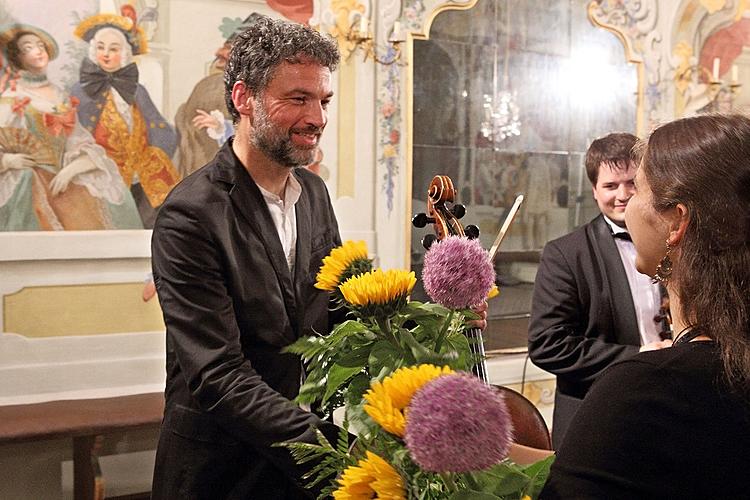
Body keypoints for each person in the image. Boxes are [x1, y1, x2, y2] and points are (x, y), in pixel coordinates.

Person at [150, 17, 343, 499]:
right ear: (243, 99)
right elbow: (219, 375)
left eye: (323, 101)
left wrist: (438, 307)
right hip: (221, 470)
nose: (317, 117)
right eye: (297, 98)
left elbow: (340, 307)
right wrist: (334, 447)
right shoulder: (189, 213)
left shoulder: (314, 193)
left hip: (299, 465)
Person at [541, 113, 750, 498]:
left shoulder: (644, 389)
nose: (625, 199)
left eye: (637, 187)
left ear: (676, 223)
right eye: (612, 185)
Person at [528, 132, 669, 448]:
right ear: (594, 191)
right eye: (610, 186)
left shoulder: (672, 240)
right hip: (596, 417)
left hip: (664, 408)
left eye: (632, 182)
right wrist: (638, 357)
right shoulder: (565, 253)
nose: (623, 194)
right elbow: (547, 345)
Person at [0, 24, 142, 230]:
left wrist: (72, 169)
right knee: (27, 183)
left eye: (40, 45)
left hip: (60, 173)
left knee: (104, 185)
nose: (38, 50)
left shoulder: (59, 94)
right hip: (29, 174)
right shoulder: (12, 98)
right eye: (28, 48)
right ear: (17, 57)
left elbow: (78, 139)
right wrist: (8, 160)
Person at [71, 9, 180, 228]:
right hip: (104, 170)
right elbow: (74, 135)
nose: (106, 54)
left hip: (141, 168)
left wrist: (155, 154)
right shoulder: (80, 90)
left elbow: (160, 127)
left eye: (114, 49)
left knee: (162, 211)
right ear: (93, 51)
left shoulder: (137, 90)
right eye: (101, 48)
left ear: (125, 53)